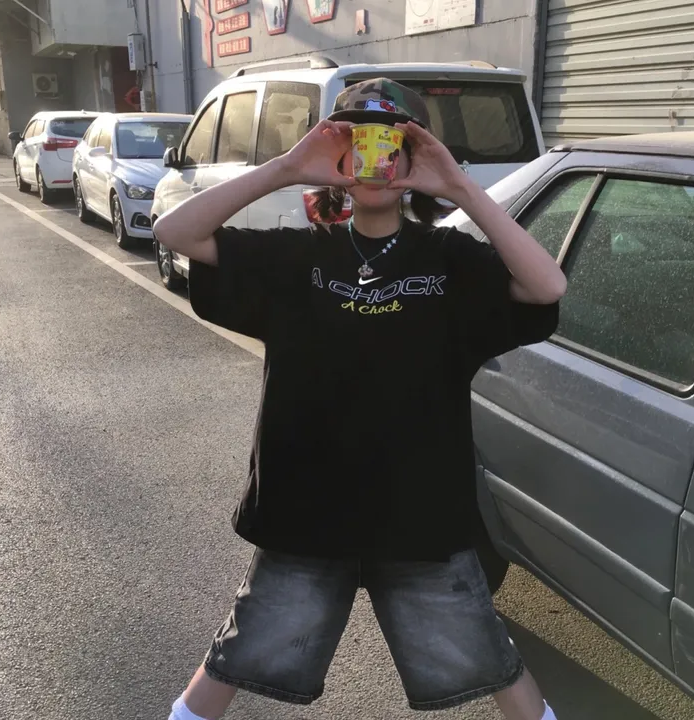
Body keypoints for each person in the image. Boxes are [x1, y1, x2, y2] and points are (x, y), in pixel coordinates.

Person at [155, 79, 566, 720]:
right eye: (359, 139)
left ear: (415, 154)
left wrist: (459, 187)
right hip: (305, 516)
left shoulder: (451, 260)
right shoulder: (297, 257)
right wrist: (287, 168)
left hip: (421, 521)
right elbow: (174, 229)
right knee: (230, 662)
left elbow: (546, 286)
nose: (378, 157)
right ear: (339, 151)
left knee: (495, 665)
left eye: (395, 143)